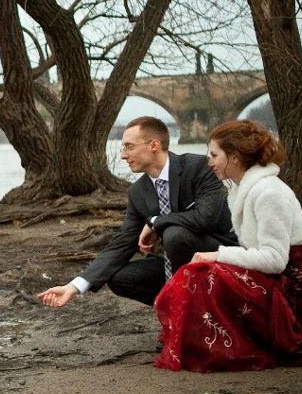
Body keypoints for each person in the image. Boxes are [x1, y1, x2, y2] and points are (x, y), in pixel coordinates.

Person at [153, 119, 302, 372]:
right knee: (199, 272)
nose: (209, 162)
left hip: (297, 294)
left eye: (214, 155)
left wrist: (218, 255)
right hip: (275, 280)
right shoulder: (240, 189)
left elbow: (275, 260)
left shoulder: (269, 192)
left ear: (235, 157)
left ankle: (214, 346)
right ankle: (200, 342)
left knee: (205, 274)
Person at [39, 116, 237, 309]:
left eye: (129, 147)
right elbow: (122, 243)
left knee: (174, 234)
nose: (124, 155)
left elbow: (205, 219)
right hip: (172, 266)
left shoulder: (197, 167)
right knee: (120, 278)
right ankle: (173, 311)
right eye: (124, 148)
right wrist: (73, 287)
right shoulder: (138, 192)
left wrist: (155, 221)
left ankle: (185, 314)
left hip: (220, 257)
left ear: (154, 145)